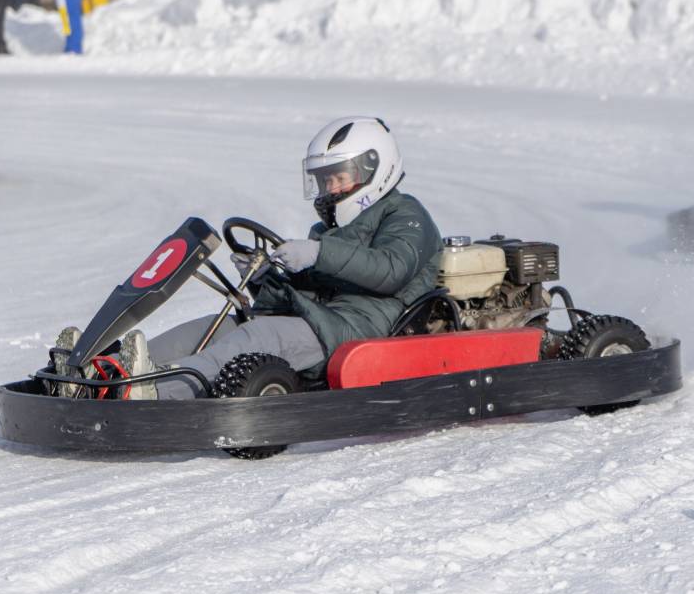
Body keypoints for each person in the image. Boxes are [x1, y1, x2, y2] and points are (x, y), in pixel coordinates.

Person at [53, 117, 444, 400]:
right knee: (217, 326)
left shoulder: (407, 215)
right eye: (325, 179)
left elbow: (391, 271)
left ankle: (153, 392)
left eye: (338, 177)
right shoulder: (329, 228)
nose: (330, 188)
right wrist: (263, 277)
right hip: (319, 321)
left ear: (374, 168)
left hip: (359, 331)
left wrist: (320, 253)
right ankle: (107, 373)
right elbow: (303, 294)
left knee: (260, 337)